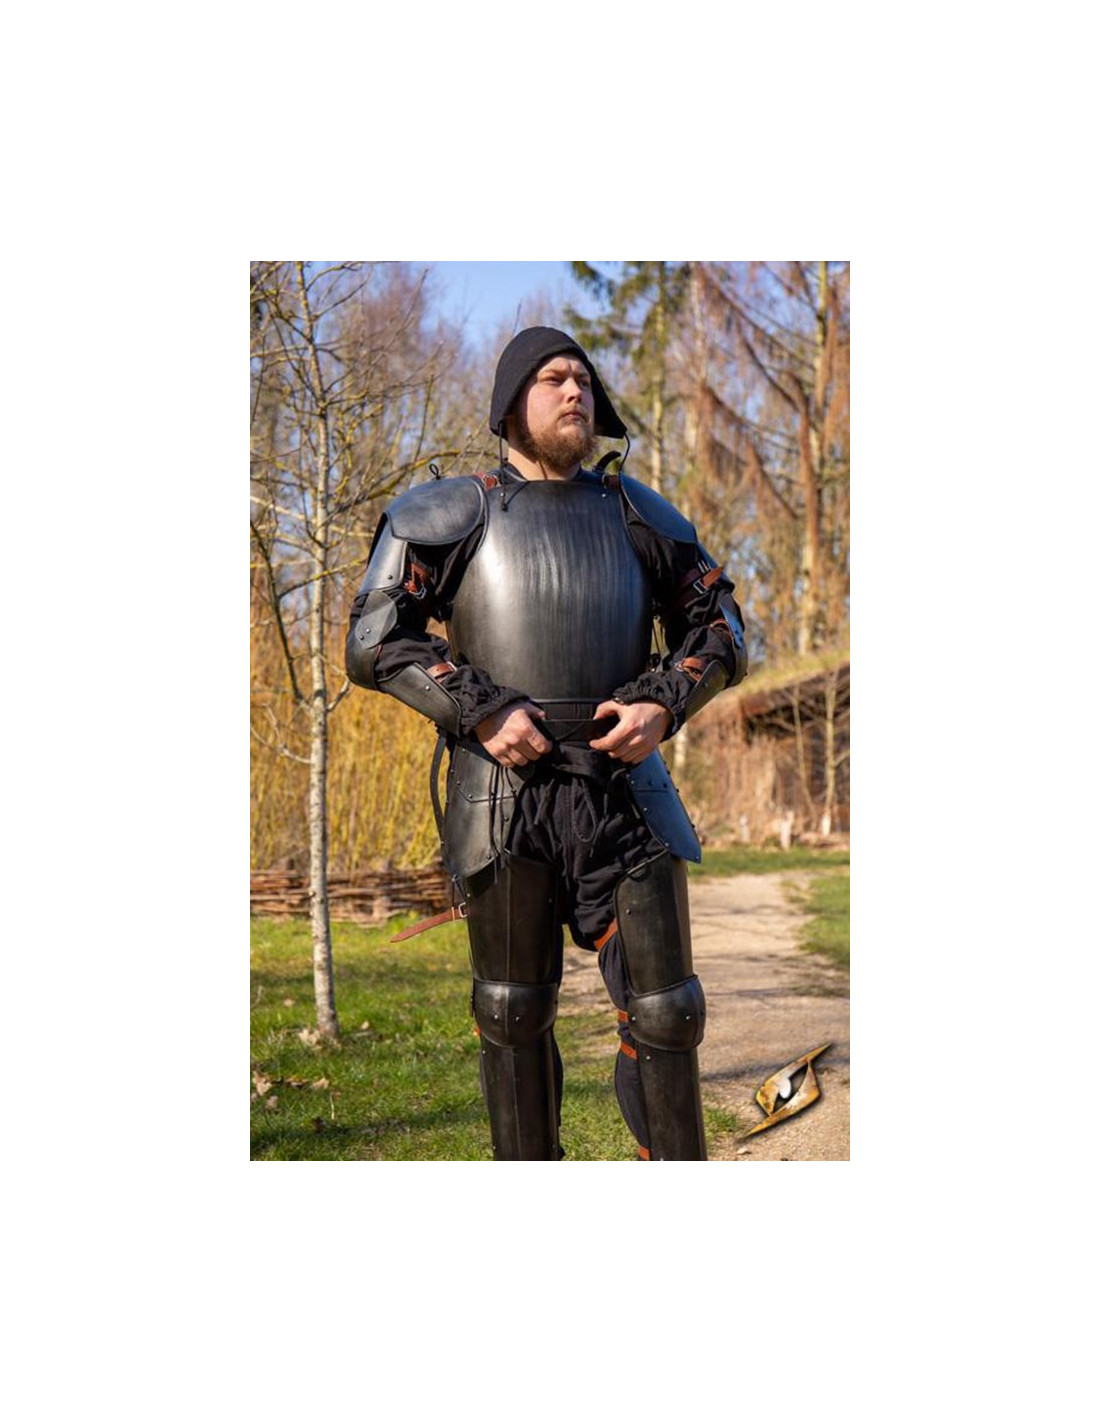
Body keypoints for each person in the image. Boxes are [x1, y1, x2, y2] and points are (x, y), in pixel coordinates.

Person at [346, 326, 747, 1160]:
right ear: (509, 404)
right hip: (504, 800)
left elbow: (720, 625)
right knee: (513, 1013)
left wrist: (665, 704)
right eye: (554, 379)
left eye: (585, 381)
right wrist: (478, 711)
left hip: (625, 796)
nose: (576, 392)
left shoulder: (636, 513)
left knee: (669, 1012)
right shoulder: (452, 511)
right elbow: (376, 638)